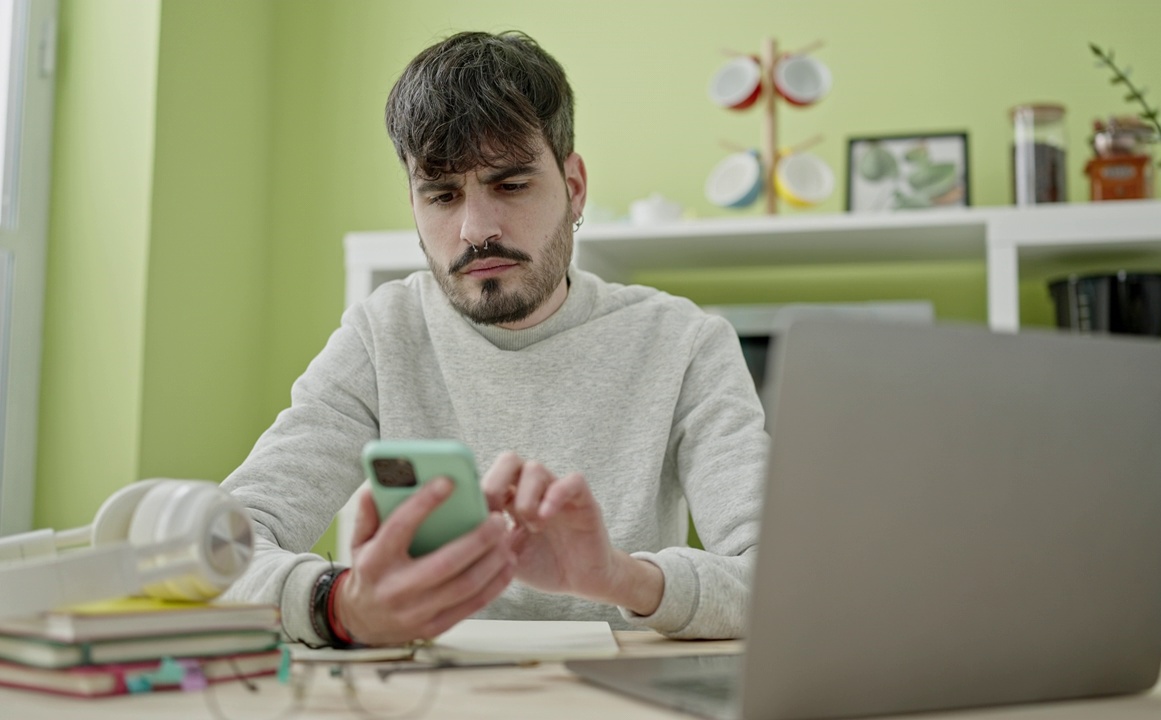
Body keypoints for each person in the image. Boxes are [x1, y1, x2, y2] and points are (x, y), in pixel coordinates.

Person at [220, 30, 767, 647]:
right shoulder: (382, 335)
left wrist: (622, 578)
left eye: (510, 186)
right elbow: (217, 548)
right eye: (442, 195)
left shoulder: (685, 343)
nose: (476, 229)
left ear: (575, 186)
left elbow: (782, 582)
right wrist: (338, 605)